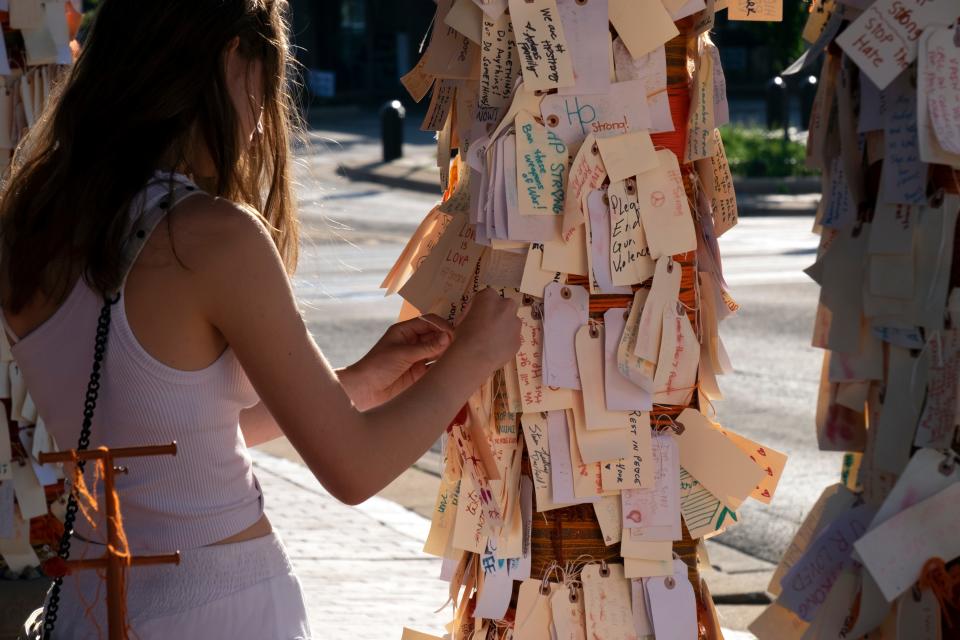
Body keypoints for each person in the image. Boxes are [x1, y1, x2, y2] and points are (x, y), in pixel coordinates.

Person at [0, 1, 521, 638]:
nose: (259, 121)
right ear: (230, 58)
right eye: (266, 83)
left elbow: (176, 431)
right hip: (220, 604)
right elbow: (354, 470)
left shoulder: (31, 226)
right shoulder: (211, 238)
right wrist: (473, 354)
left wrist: (352, 384)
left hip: (90, 604)